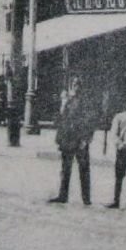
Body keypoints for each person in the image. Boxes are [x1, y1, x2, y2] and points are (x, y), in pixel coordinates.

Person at [48, 76, 95, 205]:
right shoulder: (67, 101)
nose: (76, 87)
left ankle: (86, 198)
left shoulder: (86, 102)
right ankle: (63, 195)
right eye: (74, 84)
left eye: (78, 84)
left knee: (84, 169)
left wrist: (86, 139)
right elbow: (60, 120)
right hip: (68, 139)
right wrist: (63, 104)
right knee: (65, 169)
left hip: (80, 140)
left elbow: (90, 121)